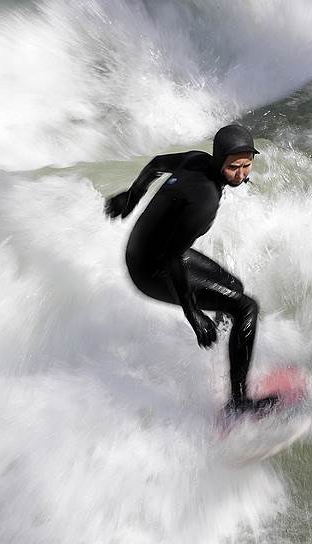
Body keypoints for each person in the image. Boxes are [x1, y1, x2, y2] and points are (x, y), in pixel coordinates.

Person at [105, 125, 276, 416]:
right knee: (247, 308)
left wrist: (132, 197)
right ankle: (238, 404)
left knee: (234, 288)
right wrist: (193, 315)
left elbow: (158, 163)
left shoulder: (196, 159)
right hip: (151, 270)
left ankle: (229, 356)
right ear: (219, 160)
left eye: (247, 165)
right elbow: (172, 258)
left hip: (158, 252)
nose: (242, 174)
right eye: (234, 167)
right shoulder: (205, 201)